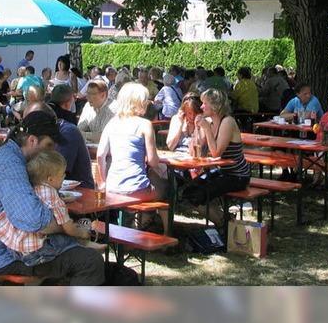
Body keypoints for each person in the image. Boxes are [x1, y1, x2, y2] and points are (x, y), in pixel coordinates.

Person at [0, 110, 104, 285]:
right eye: (48, 146)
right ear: (31, 140)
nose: (52, 152)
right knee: (90, 262)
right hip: (0, 254)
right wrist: (68, 228)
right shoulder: (10, 165)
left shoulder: (7, 156)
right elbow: (34, 221)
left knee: (71, 246)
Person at [0, 150, 97, 267]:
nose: (65, 176)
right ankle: (85, 244)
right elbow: (68, 228)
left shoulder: (29, 189)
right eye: (62, 174)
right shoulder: (52, 196)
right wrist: (82, 233)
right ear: (50, 179)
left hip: (13, 248)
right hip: (34, 252)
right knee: (67, 240)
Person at [97, 83, 170, 233]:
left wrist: (103, 181)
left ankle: (141, 223)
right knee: (166, 189)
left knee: (152, 183)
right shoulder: (145, 124)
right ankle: (167, 234)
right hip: (135, 189)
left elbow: (100, 155)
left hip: (112, 188)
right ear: (139, 102)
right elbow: (153, 161)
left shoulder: (112, 123)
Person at [186, 88, 251, 226]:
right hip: (223, 172)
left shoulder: (227, 122)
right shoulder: (210, 121)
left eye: (205, 103)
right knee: (189, 191)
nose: (202, 106)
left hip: (237, 175)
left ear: (215, 106)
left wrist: (207, 129)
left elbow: (216, 154)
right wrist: (197, 129)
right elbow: (194, 152)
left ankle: (224, 224)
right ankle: (225, 221)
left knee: (198, 195)